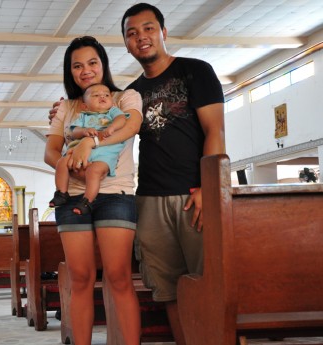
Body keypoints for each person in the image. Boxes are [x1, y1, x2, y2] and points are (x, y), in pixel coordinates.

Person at [122, 3, 226, 344]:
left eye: (148, 28)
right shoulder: (131, 93)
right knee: (167, 290)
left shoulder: (196, 72)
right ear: (126, 43)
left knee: (208, 283)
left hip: (194, 196)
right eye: (132, 33)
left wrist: (206, 189)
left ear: (163, 32)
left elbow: (215, 132)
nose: (142, 37)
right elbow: (99, 119)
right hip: (150, 201)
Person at [44, 36, 142, 345]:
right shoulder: (67, 107)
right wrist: (67, 162)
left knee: (118, 277)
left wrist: (92, 142)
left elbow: (130, 128)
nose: (85, 70)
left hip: (116, 194)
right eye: (77, 65)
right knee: (81, 279)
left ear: (103, 64)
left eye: (92, 62)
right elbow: (51, 151)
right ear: (70, 72)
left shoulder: (125, 97)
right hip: (72, 195)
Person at [49, 83, 130, 215]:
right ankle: (61, 193)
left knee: (93, 172)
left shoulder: (112, 111)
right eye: (96, 95)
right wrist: (84, 131)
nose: (102, 97)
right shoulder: (83, 116)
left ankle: (87, 201)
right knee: (61, 163)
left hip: (104, 153)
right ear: (85, 106)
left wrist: (112, 127)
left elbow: (121, 120)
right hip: (79, 152)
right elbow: (74, 131)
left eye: (106, 95)